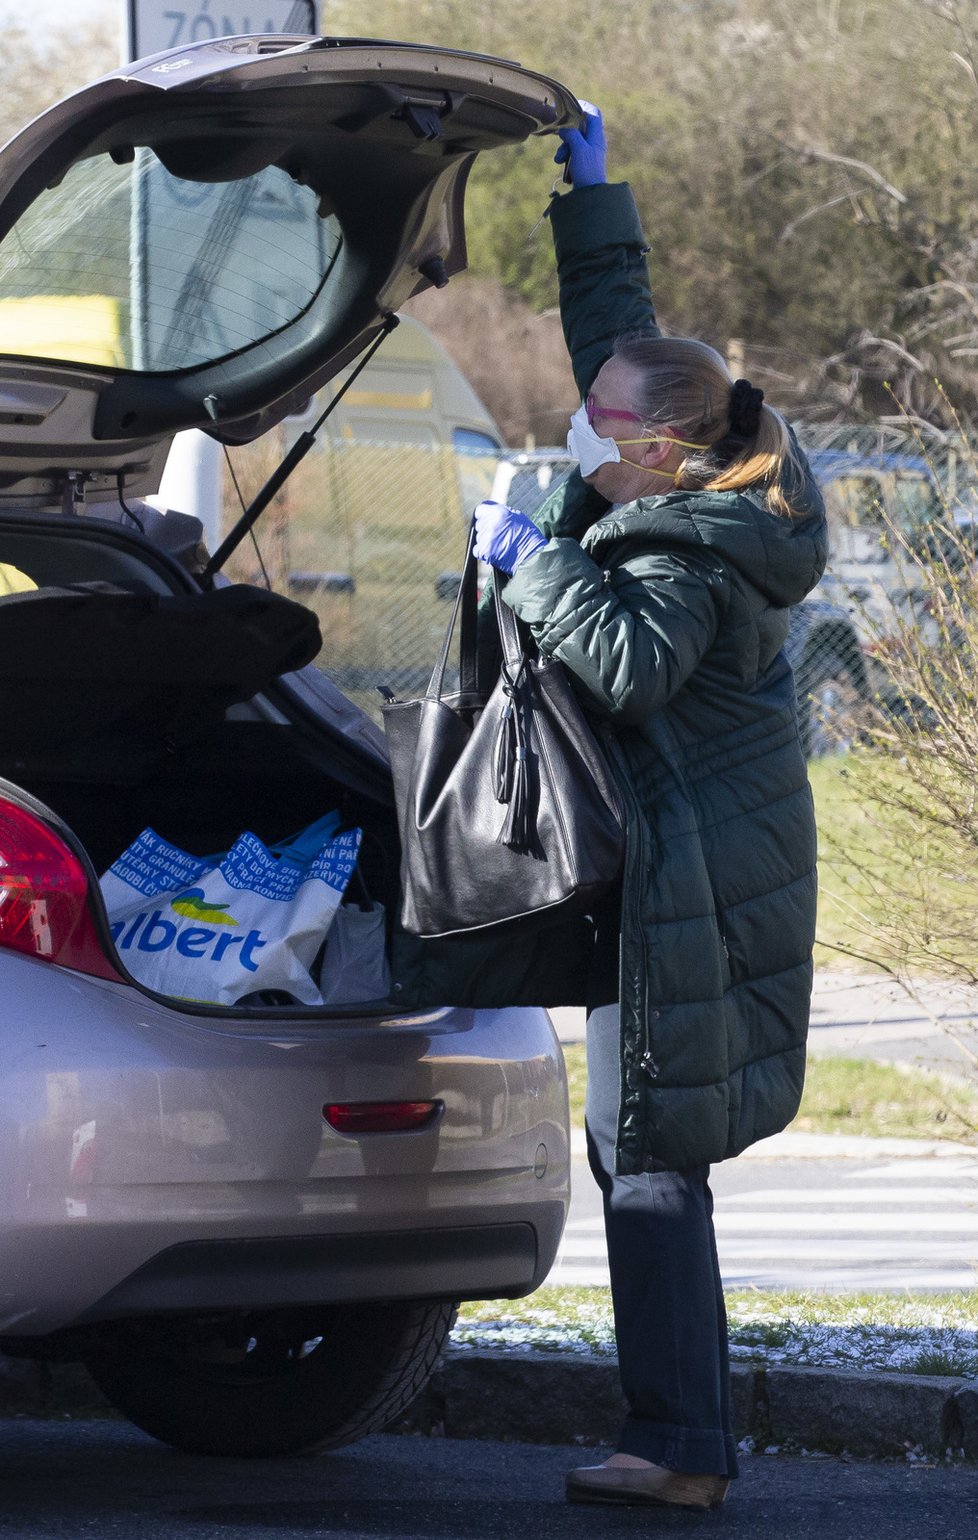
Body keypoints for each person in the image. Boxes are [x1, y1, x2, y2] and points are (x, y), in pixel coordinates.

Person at [473, 106, 827, 1511]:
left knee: (646, 1149)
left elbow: (624, 667)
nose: (575, 426)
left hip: (694, 877)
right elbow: (624, 349)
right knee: (643, 1142)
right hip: (700, 859)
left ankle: (675, 1442)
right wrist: (592, 203)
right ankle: (675, 1431)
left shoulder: (681, 551)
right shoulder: (703, 477)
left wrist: (526, 561)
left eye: (596, 422)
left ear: (654, 452)